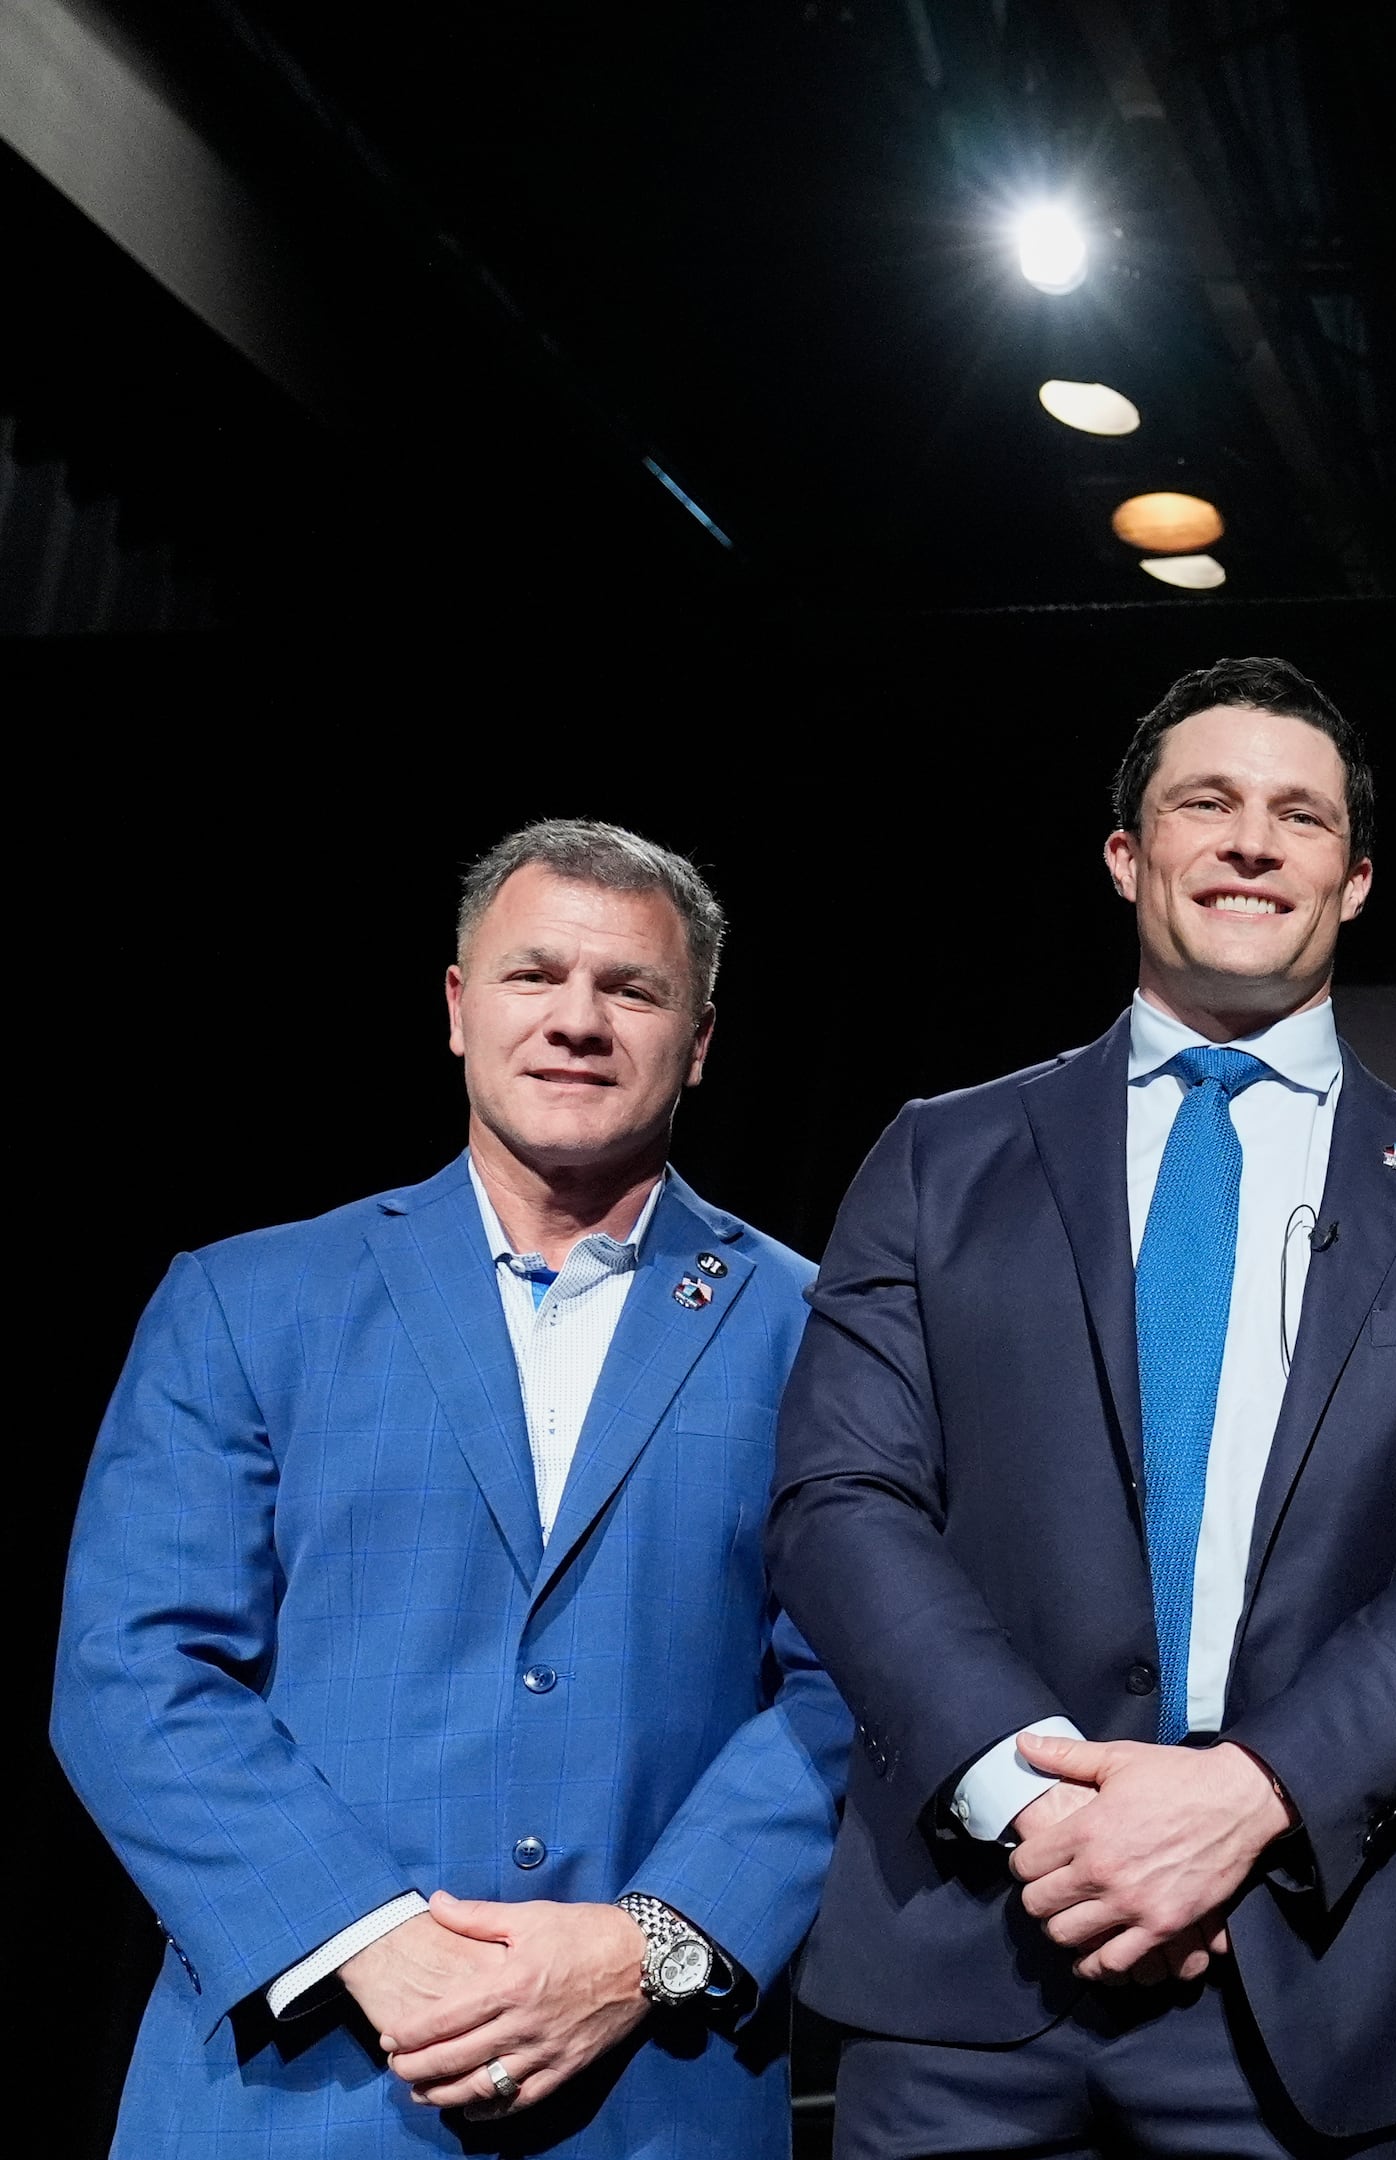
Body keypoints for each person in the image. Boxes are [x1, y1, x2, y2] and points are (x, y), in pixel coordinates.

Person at [768, 658, 1396, 2159]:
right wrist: (1042, 1802)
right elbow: (841, 1501)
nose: (1253, 842)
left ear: (1357, 878)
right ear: (1129, 856)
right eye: (1207, 803)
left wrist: (1253, 1796)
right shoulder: (941, 1159)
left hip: (1302, 1980)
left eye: (1300, 816)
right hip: (972, 1956)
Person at [54, 820, 847, 2155]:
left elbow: (853, 1688)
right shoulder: (247, 1303)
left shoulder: (824, 1329)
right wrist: (365, 1939)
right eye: (536, 976)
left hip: (651, 2095)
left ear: (700, 1040)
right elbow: (135, 1669)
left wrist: (640, 1951)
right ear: (458, 1008)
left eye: (632, 990)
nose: (579, 1022)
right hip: (293, 2094)